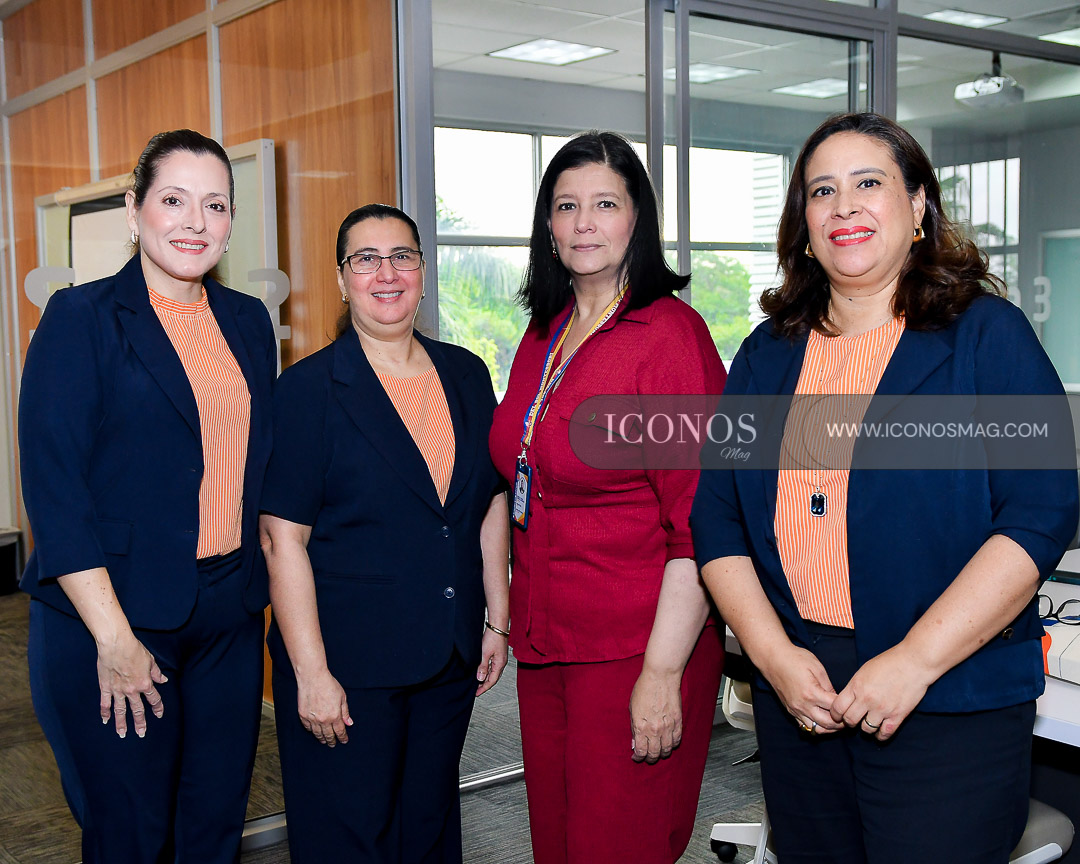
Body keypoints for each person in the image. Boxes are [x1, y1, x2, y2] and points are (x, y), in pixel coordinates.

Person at [691, 112, 1079, 864]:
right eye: (822, 191)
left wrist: (915, 661)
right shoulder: (768, 356)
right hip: (800, 694)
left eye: (868, 183)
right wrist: (772, 657)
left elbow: (1039, 513)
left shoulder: (987, 336)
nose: (844, 207)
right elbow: (718, 520)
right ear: (803, 224)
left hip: (947, 692)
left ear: (918, 205)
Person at [19, 129, 277, 863]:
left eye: (215, 205)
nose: (195, 222)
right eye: (174, 200)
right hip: (114, 615)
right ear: (135, 210)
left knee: (213, 828)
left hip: (227, 615)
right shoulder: (81, 318)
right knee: (132, 837)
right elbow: (55, 491)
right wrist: (113, 638)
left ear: (231, 221)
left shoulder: (248, 321)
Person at [488, 131, 726, 864]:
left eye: (605, 204)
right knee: (557, 843)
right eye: (567, 206)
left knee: (616, 844)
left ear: (637, 219)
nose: (584, 223)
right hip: (547, 640)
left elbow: (700, 525)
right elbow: (520, 469)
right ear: (548, 225)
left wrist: (662, 673)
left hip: (637, 647)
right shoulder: (545, 331)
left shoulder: (670, 336)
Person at [259, 203, 509, 863]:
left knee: (428, 830)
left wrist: (497, 618)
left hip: (448, 655)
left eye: (402, 256)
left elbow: (486, 503)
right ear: (342, 281)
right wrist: (311, 672)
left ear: (423, 272)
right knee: (349, 838)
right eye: (365, 260)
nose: (386, 273)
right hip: (347, 663)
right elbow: (283, 540)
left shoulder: (466, 375)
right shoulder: (308, 389)